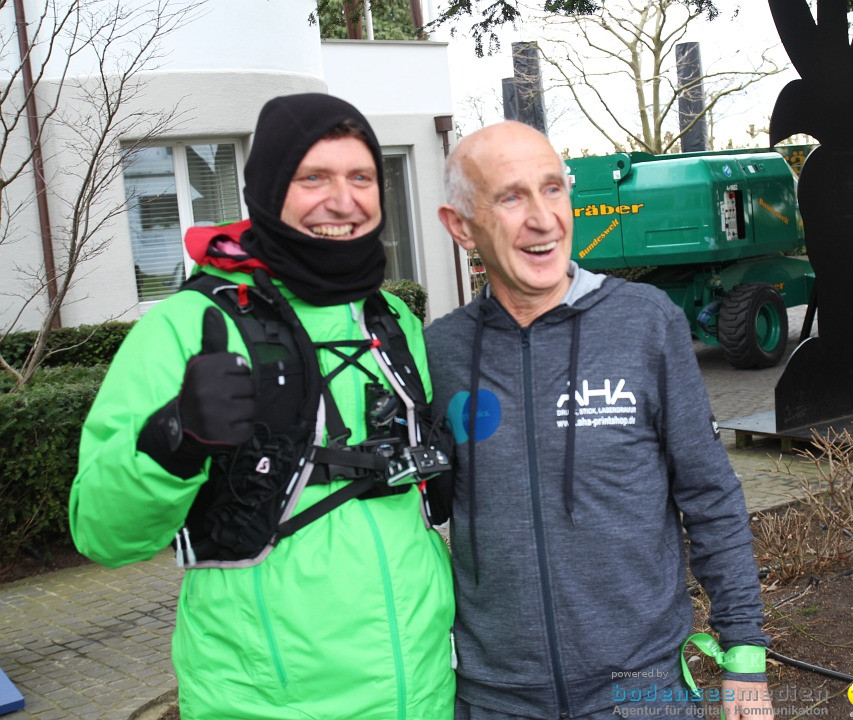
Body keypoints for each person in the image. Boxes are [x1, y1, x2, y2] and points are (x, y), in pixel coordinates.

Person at [69, 94, 455, 720]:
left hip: (424, 687)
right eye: (313, 178)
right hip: (264, 703)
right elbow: (102, 535)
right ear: (270, 192)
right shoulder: (187, 326)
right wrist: (175, 441)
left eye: (361, 176)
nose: (343, 199)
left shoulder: (393, 321)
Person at [426, 121, 774, 720]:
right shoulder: (442, 355)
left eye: (553, 189)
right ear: (461, 227)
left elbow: (709, 493)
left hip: (642, 695)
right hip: (494, 701)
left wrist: (744, 656)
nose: (543, 219)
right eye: (511, 197)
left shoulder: (645, 324)